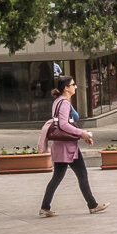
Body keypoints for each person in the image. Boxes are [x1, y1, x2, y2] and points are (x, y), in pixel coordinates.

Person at [40, 74, 106, 216]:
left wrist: (82, 135)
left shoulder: (58, 101)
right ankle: (93, 205)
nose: (75, 87)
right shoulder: (63, 103)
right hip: (67, 147)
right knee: (81, 174)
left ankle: (45, 207)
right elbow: (63, 125)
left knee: (58, 177)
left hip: (61, 146)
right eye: (73, 84)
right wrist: (82, 133)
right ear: (66, 88)